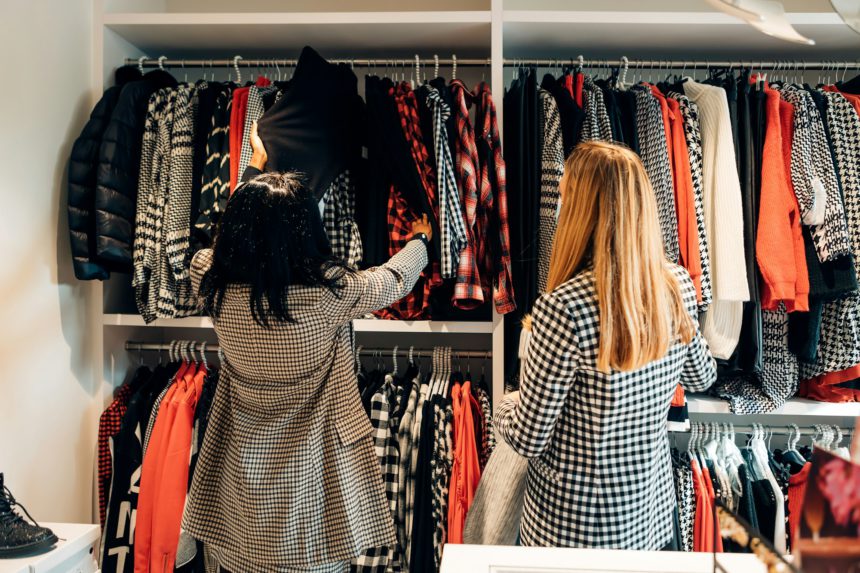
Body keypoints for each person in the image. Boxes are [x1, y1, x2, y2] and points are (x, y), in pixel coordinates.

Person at [182, 123, 433, 572]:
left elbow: (222, 243)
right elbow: (393, 280)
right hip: (311, 489)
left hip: (241, 485)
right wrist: (419, 241)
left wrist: (252, 169)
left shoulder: (211, 283)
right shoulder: (330, 293)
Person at [495, 141, 717, 550]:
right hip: (646, 517)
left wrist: (505, 402)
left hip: (571, 529)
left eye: (564, 199)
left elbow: (528, 437)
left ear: (581, 212)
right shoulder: (676, 286)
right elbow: (702, 375)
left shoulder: (562, 308)